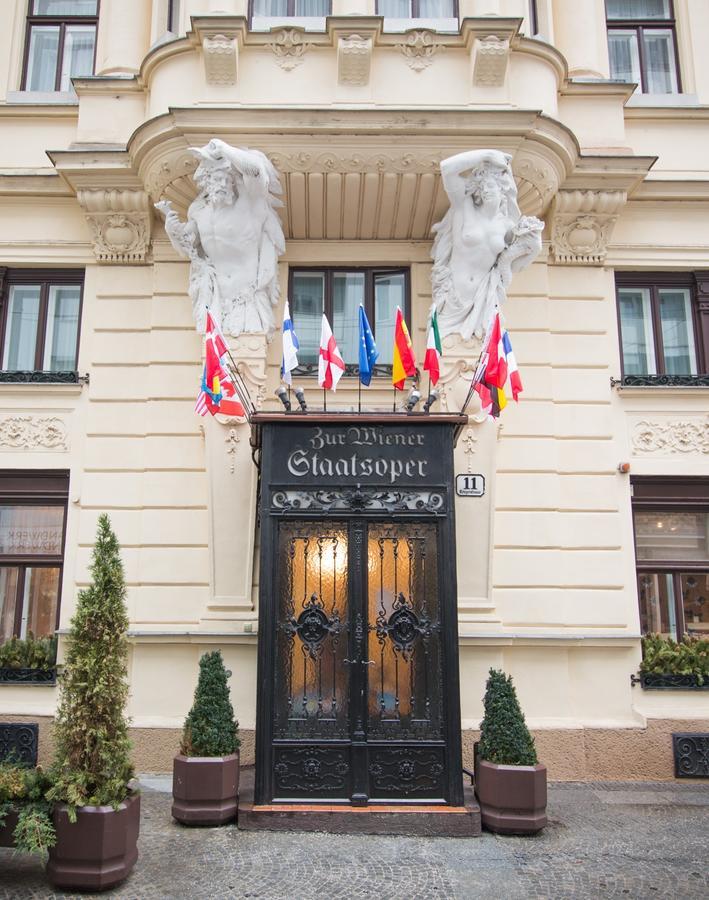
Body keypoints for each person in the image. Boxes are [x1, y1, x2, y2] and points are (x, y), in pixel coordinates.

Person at [155, 139, 285, 336]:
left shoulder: (249, 205)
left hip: (247, 300)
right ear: (206, 182)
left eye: (227, 179)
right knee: (217, 364)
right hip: (215, 300)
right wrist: (172, 230)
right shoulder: (198, 212)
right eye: (217, 179)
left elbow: (255, 172)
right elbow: (186, 246)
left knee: (248, 359)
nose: (223, 184)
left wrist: (224, 149)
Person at [431, 149, 543, 341]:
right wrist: (487, 156)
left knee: (487, 365)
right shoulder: (463, 206)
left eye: (490, 186)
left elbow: (513, 265)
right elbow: (447, 169)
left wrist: (535, 249)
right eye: (482, 187)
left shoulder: (508, 226)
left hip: (485, 300)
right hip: (454, 298)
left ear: (502, 189)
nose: (486, 190)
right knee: (440, 359)